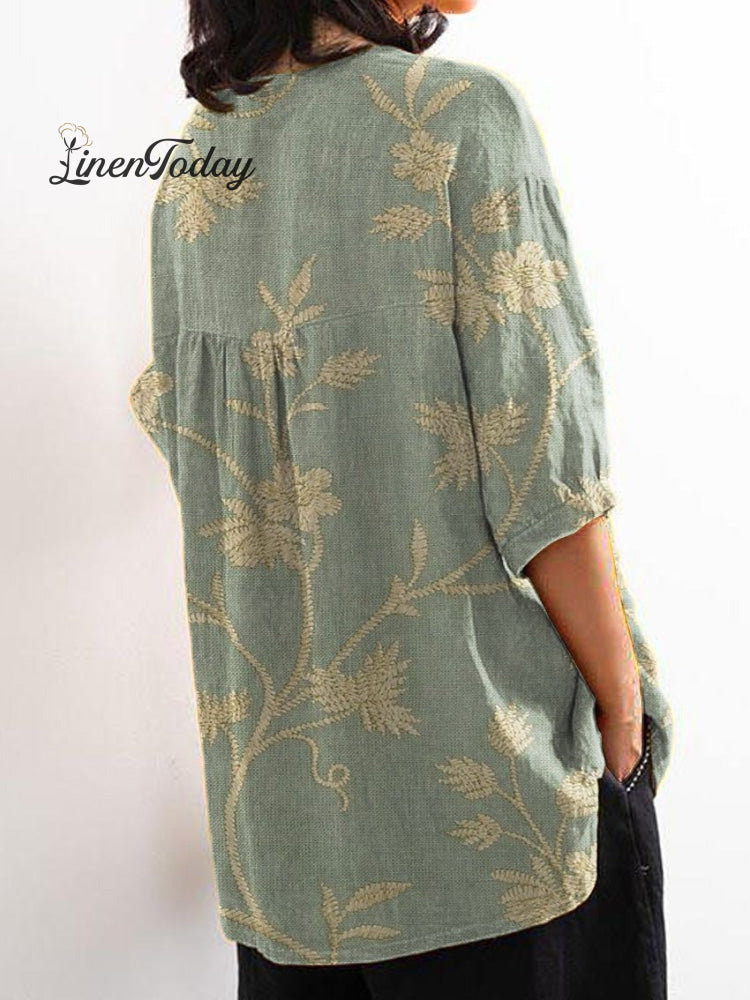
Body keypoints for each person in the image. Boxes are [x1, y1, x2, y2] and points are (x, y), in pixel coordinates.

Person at [127, 2, 675, 997]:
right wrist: (624, 701)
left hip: (289, 845)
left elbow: (198, 458)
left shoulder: (197, 162)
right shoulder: (461, 118)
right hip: (497, 816)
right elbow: (544, 473)